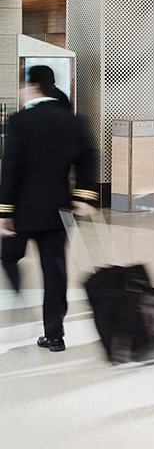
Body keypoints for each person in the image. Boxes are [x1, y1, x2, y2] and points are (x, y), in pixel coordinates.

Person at [0, 66, 98, 352]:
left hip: (22, 211)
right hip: (58, 210)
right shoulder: (74, 121)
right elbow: (88, 157)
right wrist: (83, 196)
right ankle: (54, 335)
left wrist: (5, 212)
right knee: (54, 271)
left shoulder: (20, 121)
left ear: (32, 87)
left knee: (8, 256)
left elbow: (10, 169)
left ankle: (19, 298)